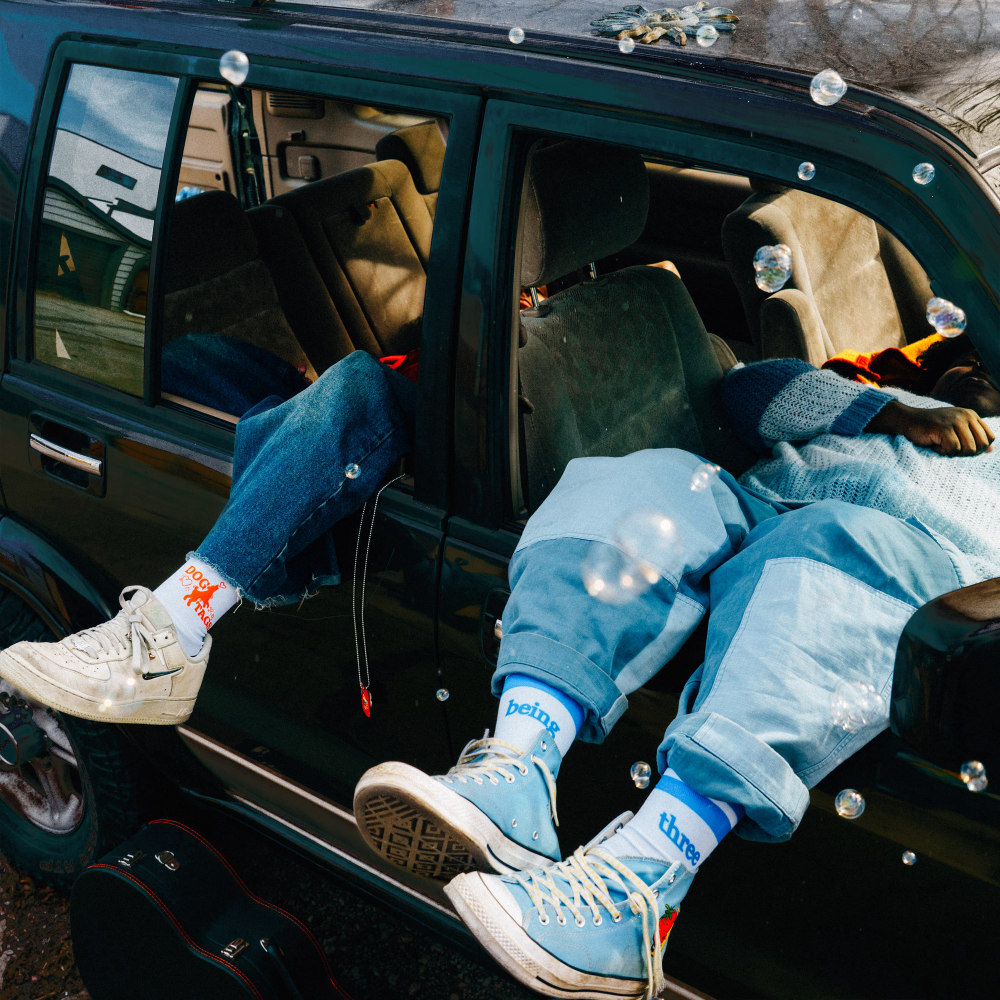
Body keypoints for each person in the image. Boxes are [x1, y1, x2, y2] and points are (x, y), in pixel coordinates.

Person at [351, 334, 1000, 999]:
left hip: (904, 553)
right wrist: (890, 410)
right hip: (757, 503)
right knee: (640, 477)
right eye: (967, 368)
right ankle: (514, 776)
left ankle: (639, 893)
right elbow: (746, 391)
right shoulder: (885, 400)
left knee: (830, 545)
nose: (976, 382)